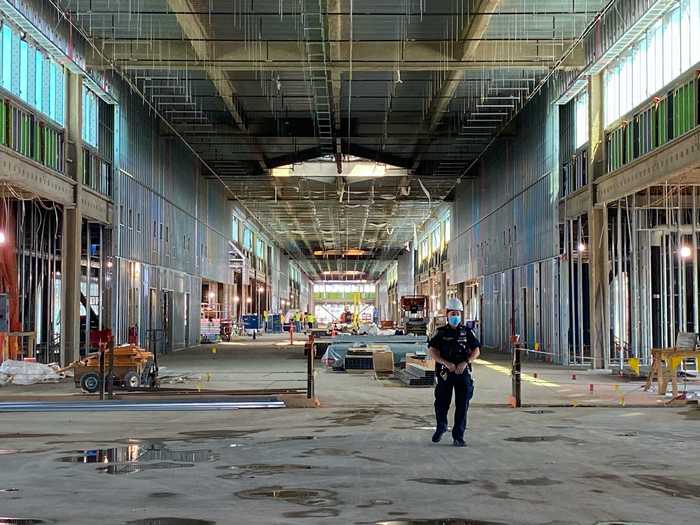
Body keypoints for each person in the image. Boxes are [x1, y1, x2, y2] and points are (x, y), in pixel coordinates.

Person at [428, 297, 480, 447]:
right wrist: (445, 363)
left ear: (461, 314)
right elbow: (432, 351)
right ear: (447, 314)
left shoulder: (468, 332)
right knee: (441, 402)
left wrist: (466, 362)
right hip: (445, 372)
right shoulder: (440, 333)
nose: (455, 316)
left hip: (462, 372)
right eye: (452, 314)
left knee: (462, 404)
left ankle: (458, 436)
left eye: (457, 313)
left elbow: (476, 350)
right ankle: (441, 426)